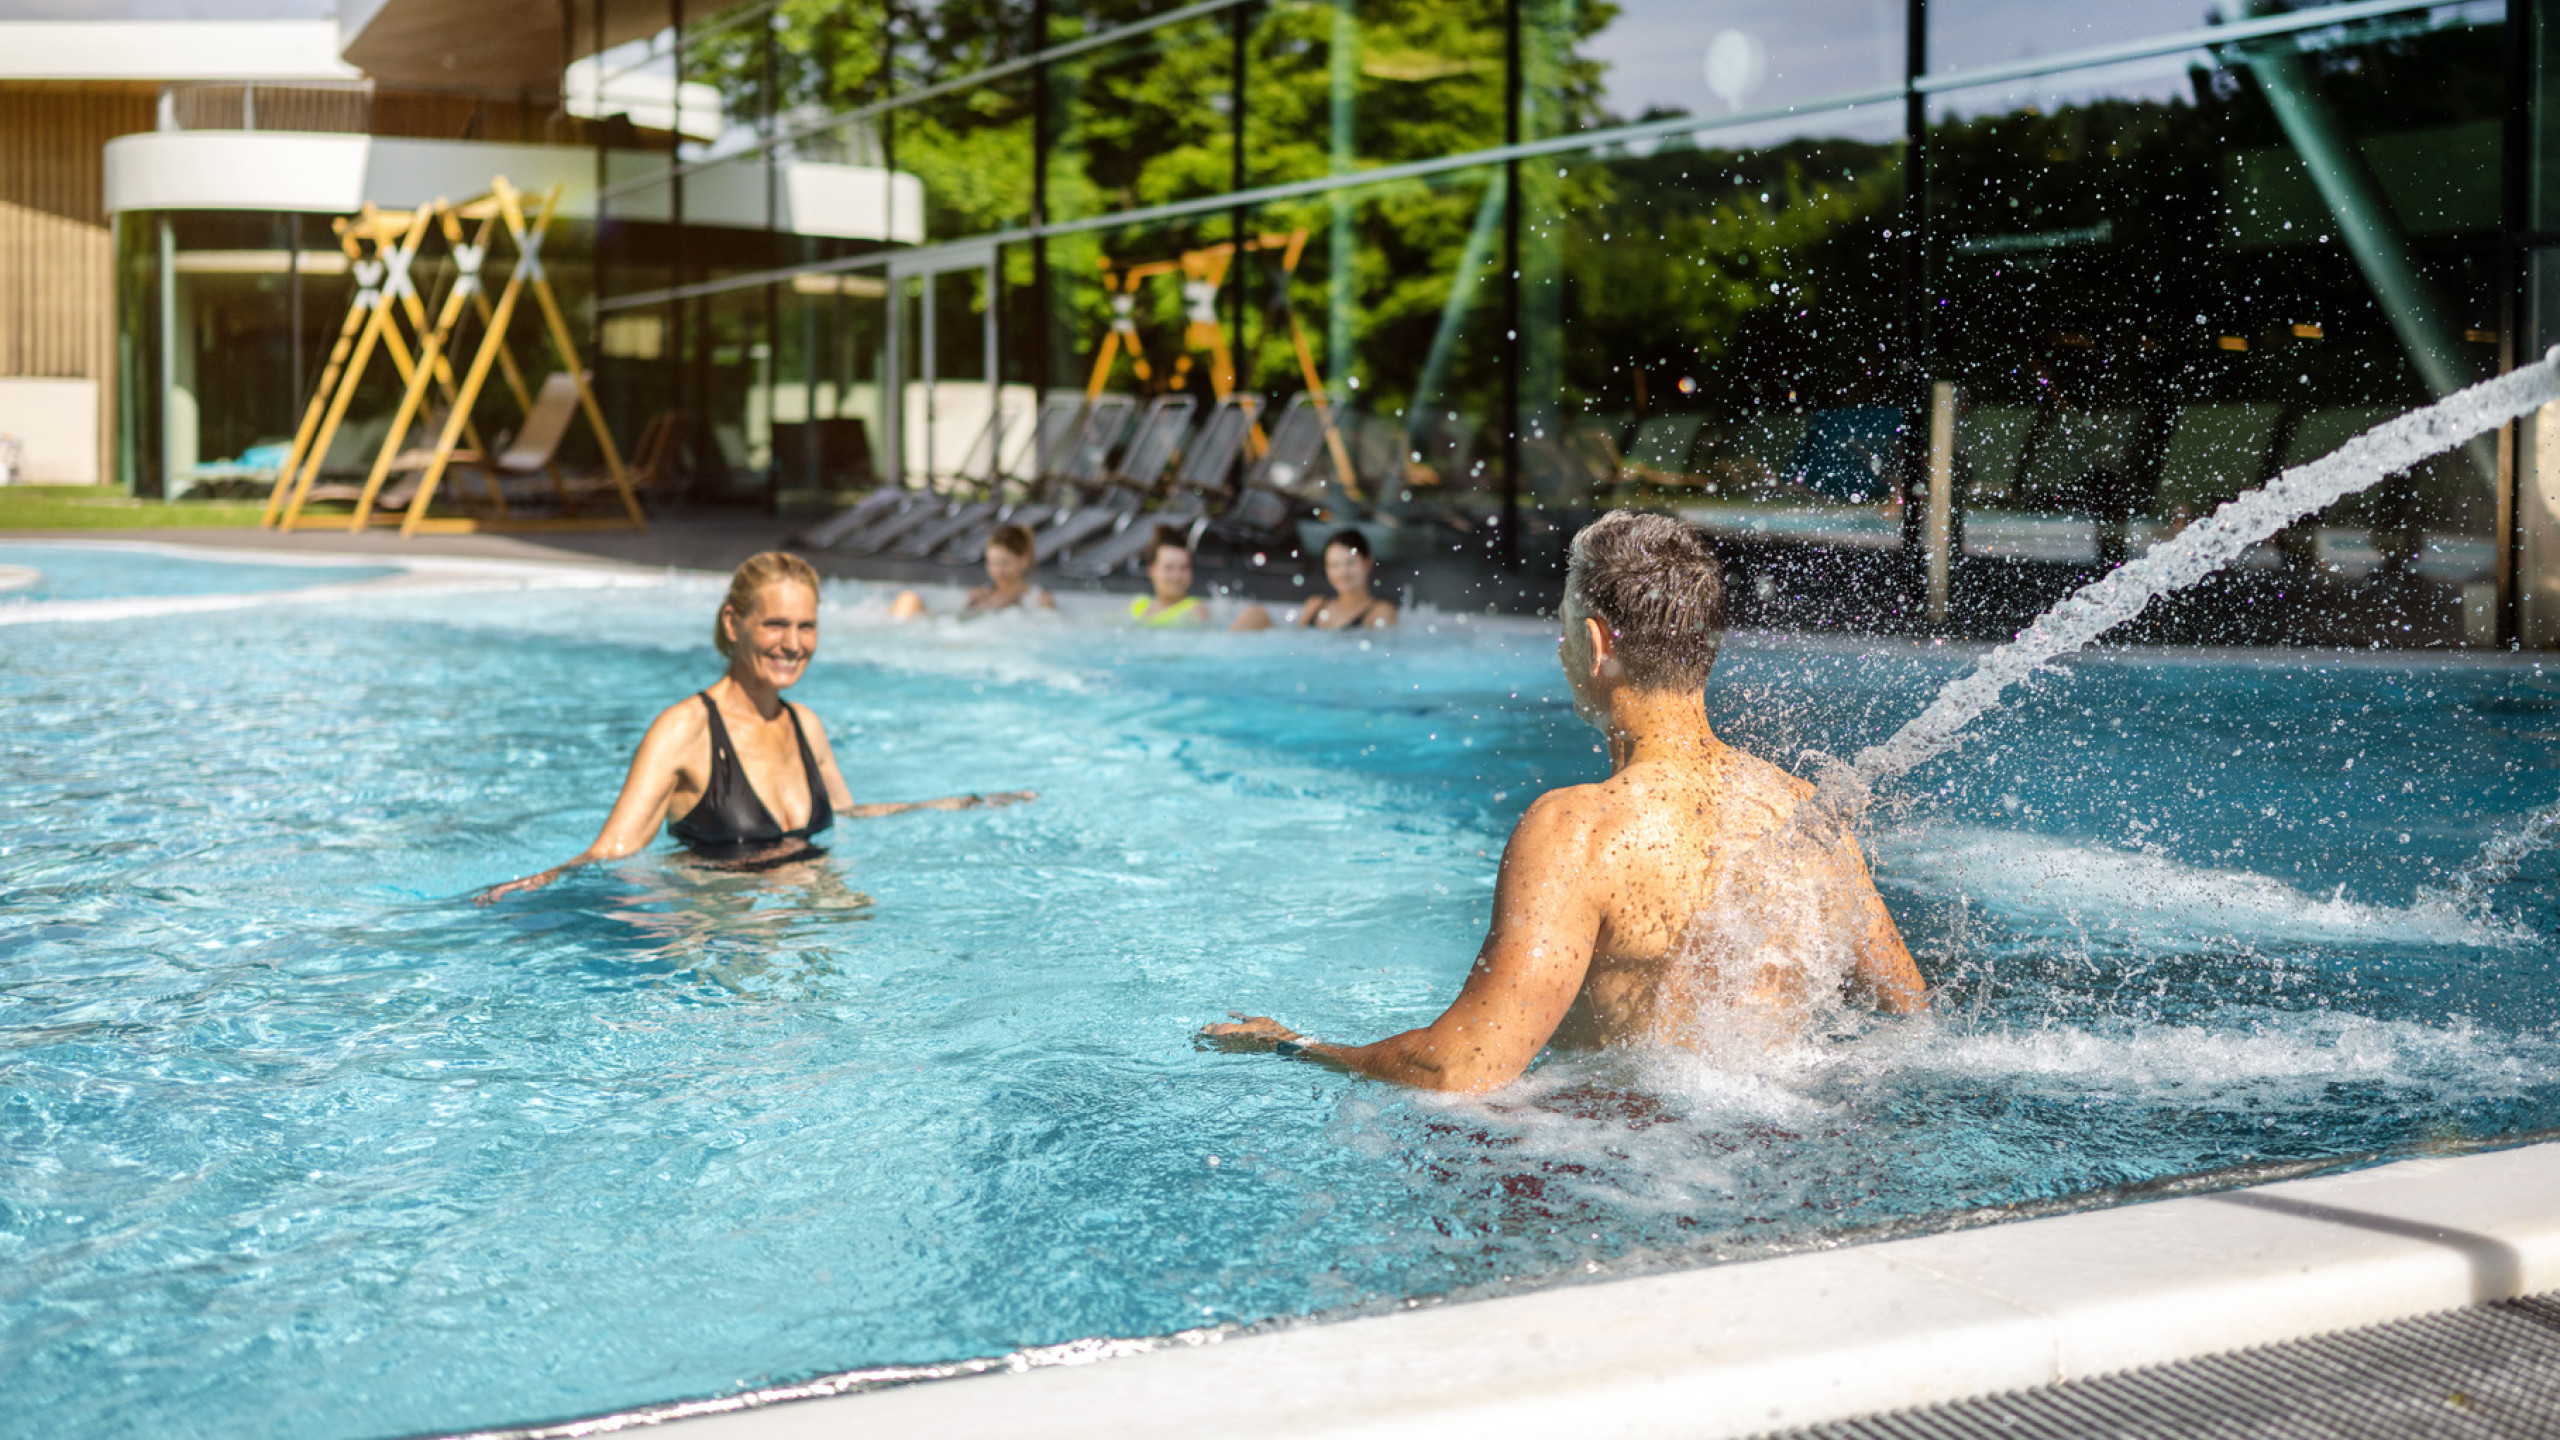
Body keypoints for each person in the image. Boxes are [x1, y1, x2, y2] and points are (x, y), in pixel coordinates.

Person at [1200, 510, 1926, 1091]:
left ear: (1596, 642)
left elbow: (1460, 1069)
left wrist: (1298, 1047)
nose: (1558, 654)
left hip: (1634, 1179)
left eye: (1562, 628)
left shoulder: (1581, 831)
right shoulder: (1805, 814)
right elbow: (1908, 1013)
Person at [478, 552, 1031, 901]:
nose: (793, 644)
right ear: (733, 623)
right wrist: (539, 883)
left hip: (812, 922)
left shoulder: (803, 723)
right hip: (724, 935)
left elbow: (850, 813)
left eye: (806, 626)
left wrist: (963, 803)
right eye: (776, 624)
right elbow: (612, 852)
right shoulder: (684, 730)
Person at [1294, 528, 1399, 630]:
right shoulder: (1314, 606)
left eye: (1350, 563)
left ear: (1368, 562)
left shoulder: (1381, 612)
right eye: (1334, 565)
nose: (1343, 573)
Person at [963, 523, 1057, 617]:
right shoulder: (977, 595)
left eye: (1004, 563)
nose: (998, 570)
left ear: (1024, 559)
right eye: (992, 562)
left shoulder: (1041, 601)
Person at [1129, 524, 1214, 627]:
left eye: (1183, 568)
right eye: (1169, 568)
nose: (1176, 576)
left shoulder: (1195, 609)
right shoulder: (1139, 605)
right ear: (1152, 570)